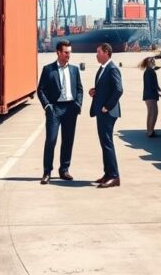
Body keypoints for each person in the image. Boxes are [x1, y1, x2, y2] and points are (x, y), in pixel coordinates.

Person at [36, 40, 83, 184]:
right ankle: (47, 172)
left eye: (70, 52)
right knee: (51, 140)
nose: (69, 55)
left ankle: (64, 170)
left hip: (70, 109)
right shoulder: (48, 69)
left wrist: (77, 105)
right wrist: (47, 106)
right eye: (66, 52)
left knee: (68, 141)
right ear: (58, 52)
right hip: (54, 109)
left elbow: (79, 89)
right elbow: (40, 90)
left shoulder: (74, 70)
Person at [89, 43, 123, 188]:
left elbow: (118, 90)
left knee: (107, 143)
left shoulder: (112, 69)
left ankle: (114, 177)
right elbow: (105, 88)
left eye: (98, 52)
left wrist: (107, 106)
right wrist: (94, 92)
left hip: (107, 112)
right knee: (104, 143)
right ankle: (108, 174)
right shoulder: (102, 68)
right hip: (101, 111)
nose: (96, 55)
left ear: (106, 52)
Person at [140, 56, 161, 137]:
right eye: (151, 61)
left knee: (150, 113)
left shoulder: (148, 71)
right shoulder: (150, 71)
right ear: (148, 63)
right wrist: (158, 92)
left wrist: (158, 88)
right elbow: (151, 85)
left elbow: (152, 83)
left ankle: (149, 131)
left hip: (148, 95)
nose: (153, 62)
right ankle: (151, 131)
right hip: (151, 95)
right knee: (154, 113)